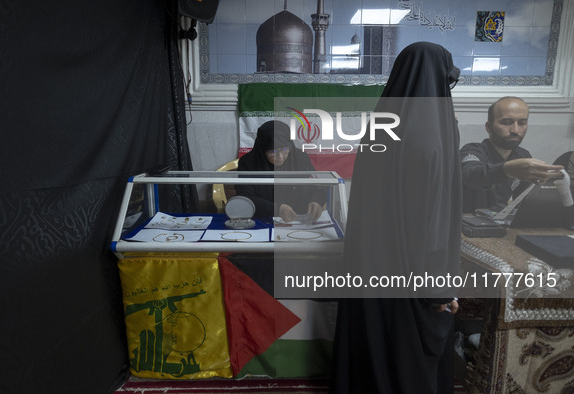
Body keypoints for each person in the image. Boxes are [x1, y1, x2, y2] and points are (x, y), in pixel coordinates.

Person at [330, 42, 461, 394]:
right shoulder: (431, 138)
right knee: (407, 361)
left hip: (371, 265)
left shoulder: (381, 127)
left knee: (375, 347)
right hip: (411, 274)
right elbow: (431, 223)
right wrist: (439, 291)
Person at [461, 97, 563, 213]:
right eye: (506, 122)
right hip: (465, 224)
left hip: (501, 223)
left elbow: (524, 202)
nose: (515, 130)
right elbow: (472, 174)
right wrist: (507, 169)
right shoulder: (472, 151)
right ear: (489, 127)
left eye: (522, 123)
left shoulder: (523, 155)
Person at [235, 120, 326, 222]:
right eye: (273, 151)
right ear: (262, 149)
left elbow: (318, 186)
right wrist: (276, 209)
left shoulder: (301, 159)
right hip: (262, 220)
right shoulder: (248, 163)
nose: (280, 156)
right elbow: (245, 197)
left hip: (299, 220)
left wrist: (317, 200)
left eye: (284, 150)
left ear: (289, 145)